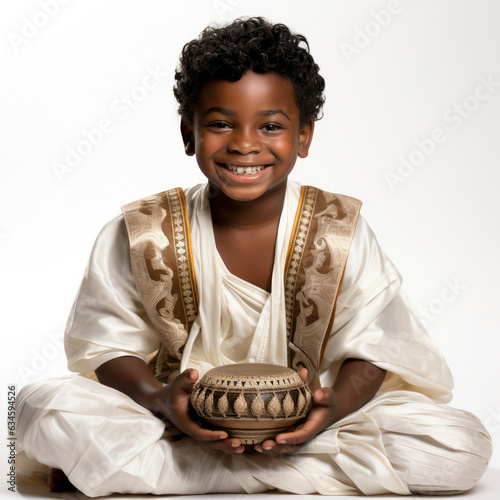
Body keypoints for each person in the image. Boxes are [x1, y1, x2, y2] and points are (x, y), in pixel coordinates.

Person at [16, 17, 492, 497]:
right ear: (189, 133)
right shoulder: (143, 231)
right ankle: (250, 471)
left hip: (307, 425)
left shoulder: (338, 229)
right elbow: (105, 345)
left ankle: (143, 470)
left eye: (270, 126)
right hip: (172, 418)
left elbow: (376, 346)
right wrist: (160, 400)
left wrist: (331, 410)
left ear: (303, 136)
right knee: (43, 409)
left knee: (457, 446)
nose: (245, 143)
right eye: (221, 123)